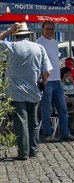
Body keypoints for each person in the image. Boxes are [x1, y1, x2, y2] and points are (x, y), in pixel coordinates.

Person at [0, 22, 51, 160]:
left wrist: (8, 31)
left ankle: (23, 153)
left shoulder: (11, 47)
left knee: (20, 122)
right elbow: (47, 72)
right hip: (34, 91)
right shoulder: (39, 48)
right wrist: (43, 84)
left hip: (15, 92)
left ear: (16, 36)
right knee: (33, 122)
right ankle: (33, 150)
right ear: (28, 34)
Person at [36, 20, 74, 141]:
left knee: (63, 108)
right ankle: (47, 133)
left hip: (57, 79)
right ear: (42, 29)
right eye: (48, 29)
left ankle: (65, 133)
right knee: (47, 109)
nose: (50, 31)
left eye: (52, 29)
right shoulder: (38, 43)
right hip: (47, 80)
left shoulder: (55, 42)